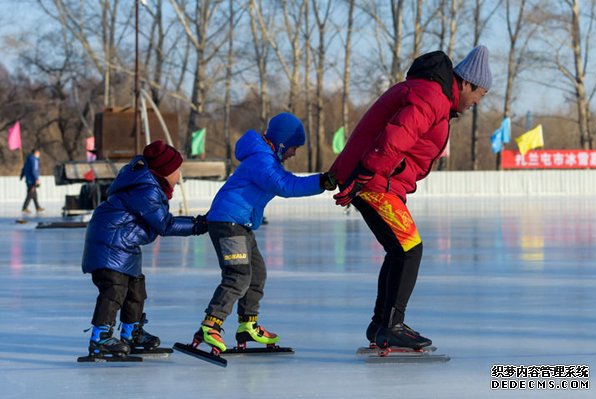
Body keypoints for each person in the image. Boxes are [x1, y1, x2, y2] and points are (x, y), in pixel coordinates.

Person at [328, 46, 492, 349]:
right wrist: (364, 175)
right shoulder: (432, 96)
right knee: (408, 248)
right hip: (375, 181)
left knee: (400, 250)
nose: (477, 103)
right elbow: (395, 136)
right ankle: (390, 325)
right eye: (480, 94)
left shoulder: (432, 94)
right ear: (466, 83)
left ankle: (382, 324)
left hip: (378, 179)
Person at [189, 112, 336, 354]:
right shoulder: (261, 160)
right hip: (228, 224)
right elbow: (286, 186)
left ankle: (248, 324)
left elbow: (287, 180)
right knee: (238, 275)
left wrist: (323, 181)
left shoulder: (267, 160)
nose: (293, 153)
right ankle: (210, 325)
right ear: (281, 143)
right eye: (293, 148)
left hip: (240, 224)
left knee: (256, 273)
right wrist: (322, 182)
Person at [81, 140, 207, 359]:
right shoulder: (146, 189)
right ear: (165, 172)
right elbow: (165, 225)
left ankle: (131, 334)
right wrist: (198, 225)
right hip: (110, 245)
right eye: (177, 171)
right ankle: (99, 337)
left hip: (124, 246)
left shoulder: (148, 185)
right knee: (114, 289)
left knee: (136, 290)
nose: (179, 176)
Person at [20, 148, 44, 213]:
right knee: (30, 193)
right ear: (36, 153)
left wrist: (22, 175)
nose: (39, 155)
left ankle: (37, 207)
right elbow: (34, 170)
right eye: (39, 153)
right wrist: (36, 179)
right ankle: (24, 207)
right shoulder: (34, 160)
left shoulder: (28, 159)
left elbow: (24, 168)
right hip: (32, 180)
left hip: (28, 179)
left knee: (34, 194)